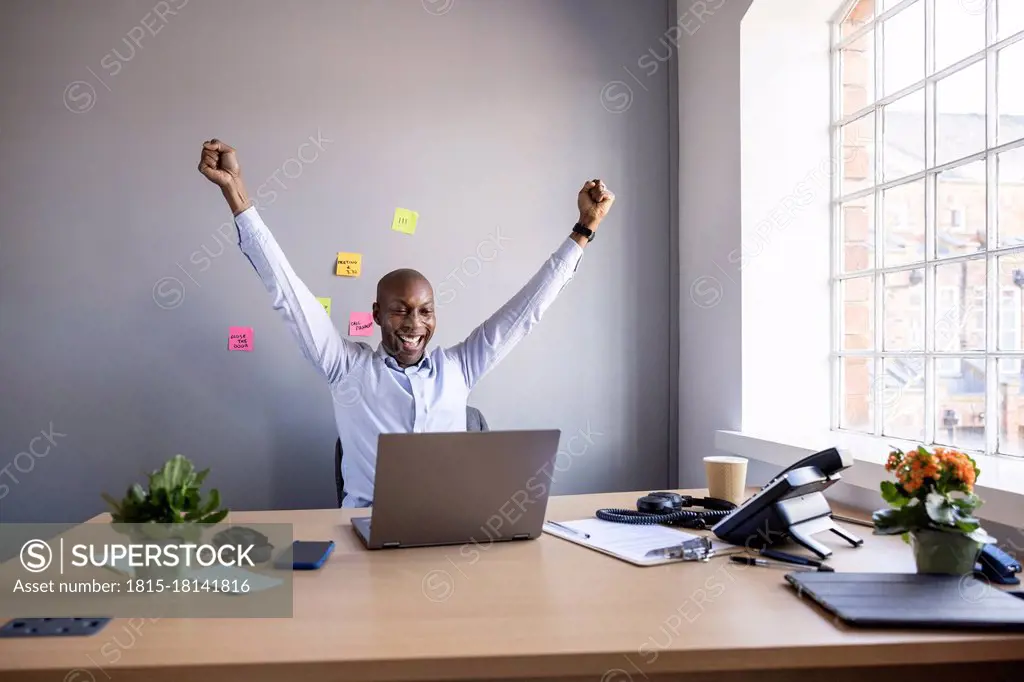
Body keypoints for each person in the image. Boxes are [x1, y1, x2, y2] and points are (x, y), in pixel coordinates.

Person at [197, 139, 615, 507]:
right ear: (377, 314)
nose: (414, 323)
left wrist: (585, 228)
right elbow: (287, 291)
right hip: (364, 536)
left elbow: (526, 312)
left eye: (425, 310)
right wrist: (236, 193)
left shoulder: (459, 368)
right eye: (400, 310)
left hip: (448, 533)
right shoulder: (347, 369)